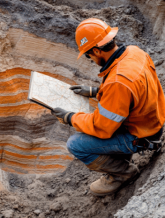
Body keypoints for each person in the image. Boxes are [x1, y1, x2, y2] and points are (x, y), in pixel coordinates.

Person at [51, 18, 165, 196]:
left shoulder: (118, 82)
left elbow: (102, 127)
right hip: (150, 120)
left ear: (96, 50)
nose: (90, 59)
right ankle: (121, 157)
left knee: (76, 144)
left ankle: (123, 173)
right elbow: (132, 93)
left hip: (141, 135)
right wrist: (94, 91)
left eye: (89, 55)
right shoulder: (134, 52)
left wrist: (70, 117)